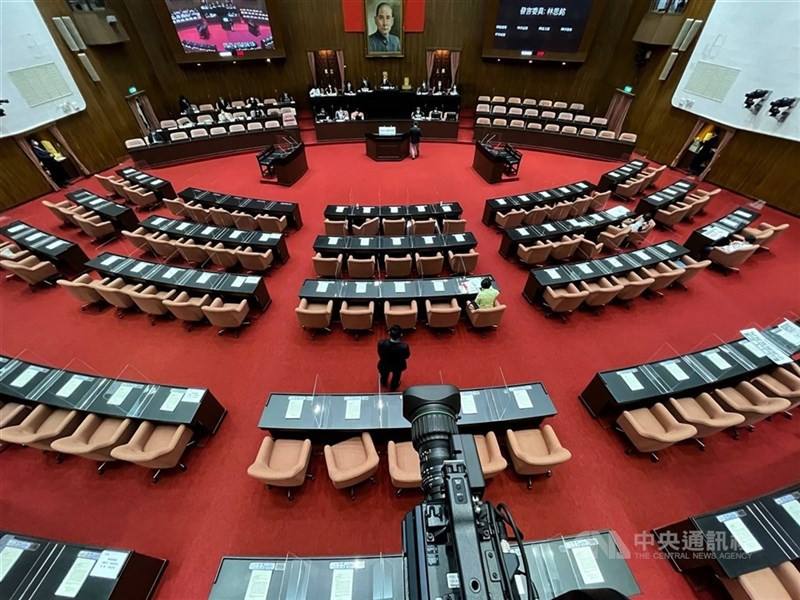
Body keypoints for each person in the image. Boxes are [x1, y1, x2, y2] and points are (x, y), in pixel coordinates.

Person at [377, 325, 410, 391]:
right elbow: (407, 356)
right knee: (396, 376)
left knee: (384, 375)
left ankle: (383, 382)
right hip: (398, 365)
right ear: (401, 335)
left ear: (389, 333)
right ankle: (394, 386)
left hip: (384, 364)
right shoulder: (404, 347)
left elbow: (379, 353)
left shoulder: (381, 343)